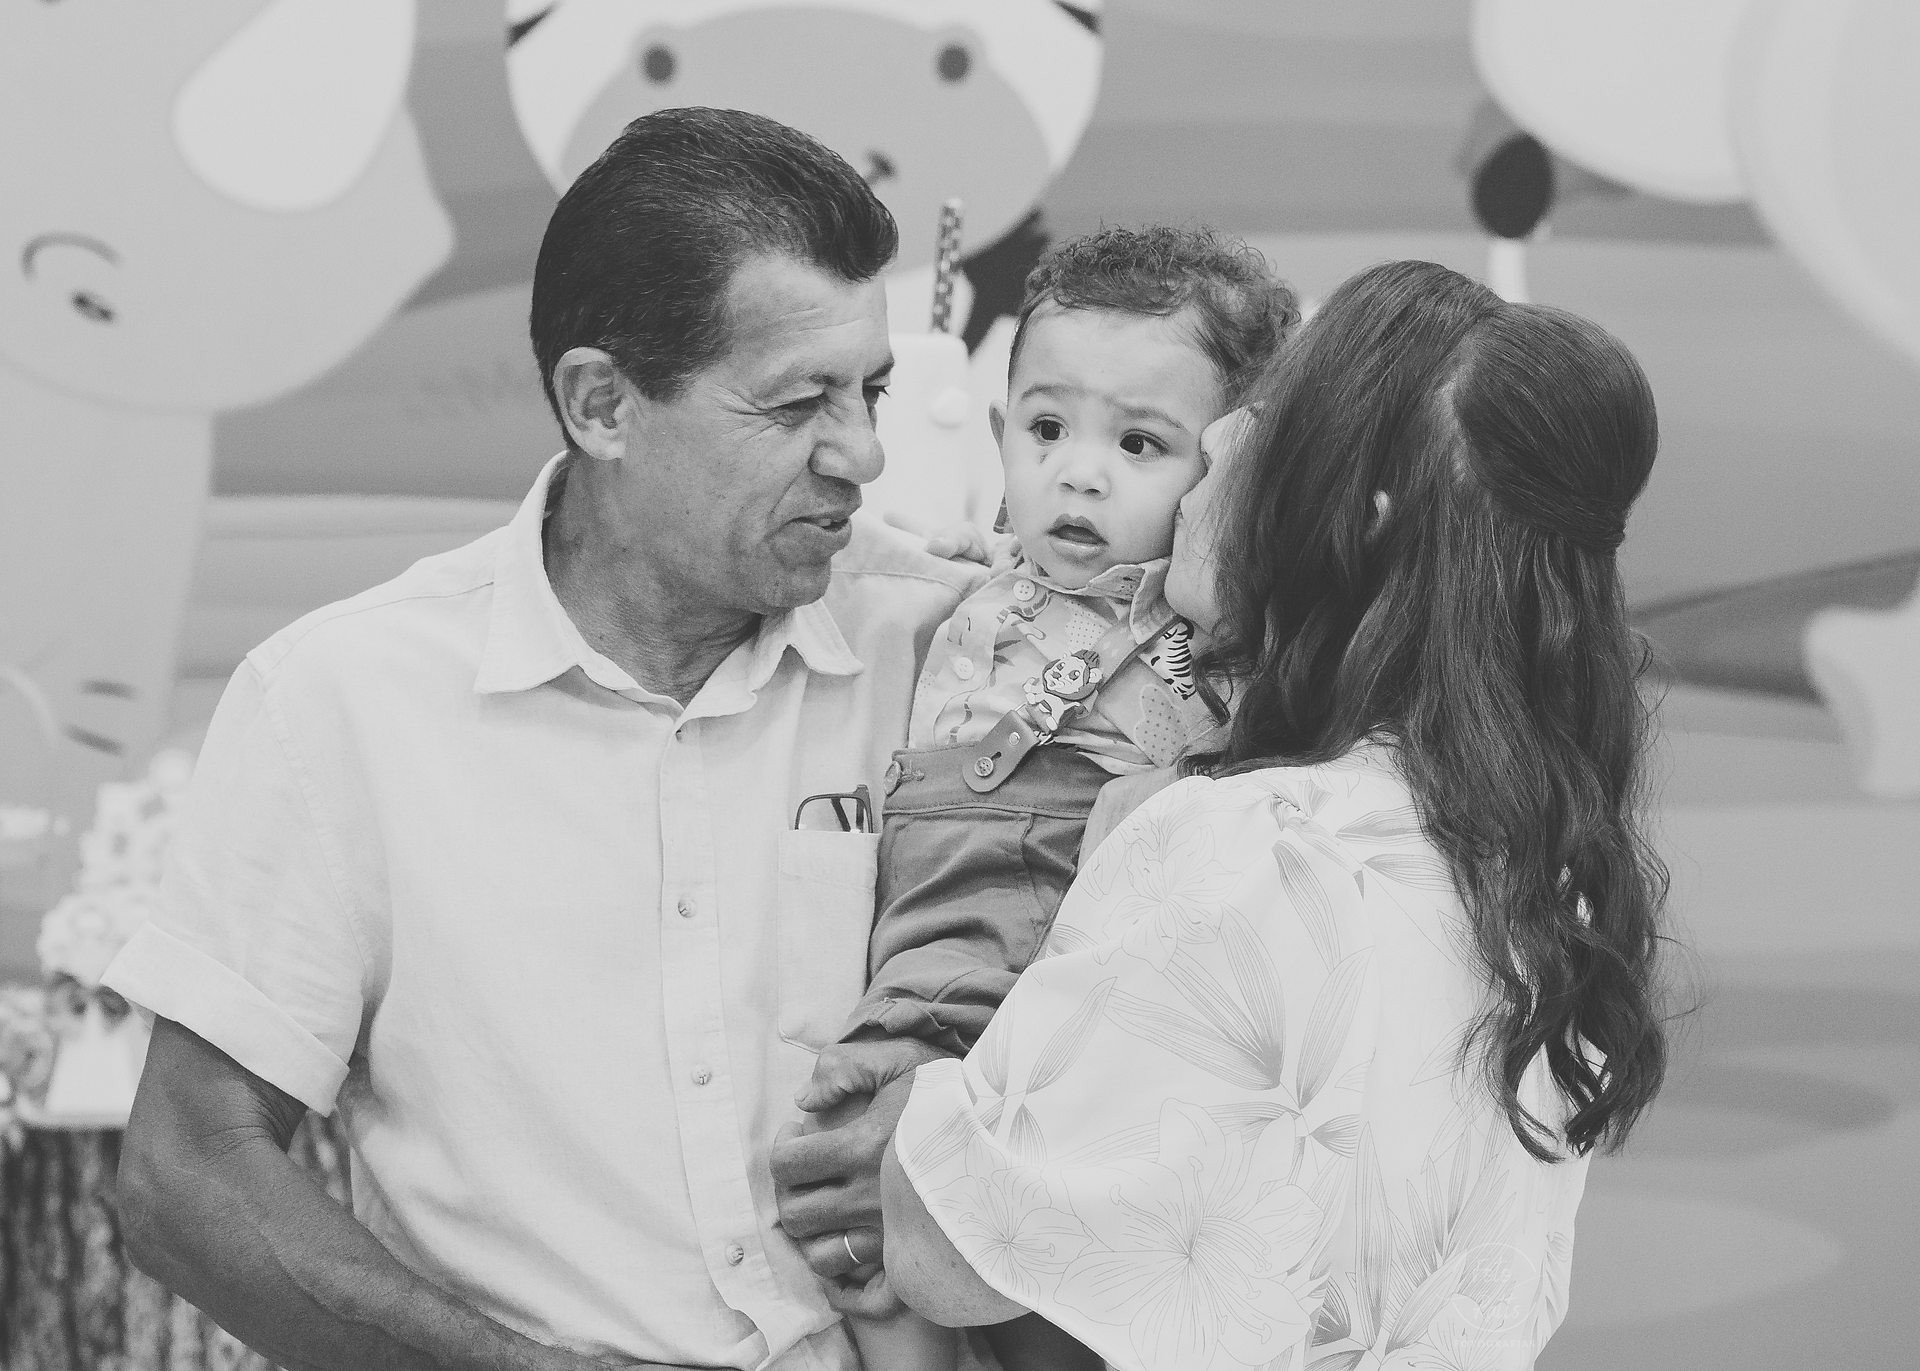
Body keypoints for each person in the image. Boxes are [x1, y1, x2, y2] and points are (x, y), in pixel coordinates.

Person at [101, 108, 983, 1371]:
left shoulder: (959, 651)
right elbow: (186, 1175)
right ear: (602, 404)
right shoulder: (340, 699)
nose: (865, 453)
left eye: (872, 390)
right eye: (800, 403)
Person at [782, 259, 1674, 1370]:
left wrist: (919, 1122)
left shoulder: (1248, 844)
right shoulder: (1540, 878)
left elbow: (970, 1257)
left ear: (1353, 521)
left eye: (1245, 444)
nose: (1205, 472)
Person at [798, 224, 1295, 1371]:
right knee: (850, 1209)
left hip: (1057, 996)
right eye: (1048, 429)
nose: (1080, 472)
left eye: (1140, 443)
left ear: (1228, 477)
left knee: (1032, 1260)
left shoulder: (1202, 632)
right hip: (921, 963)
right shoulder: (962, 584)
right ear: (998, 437)